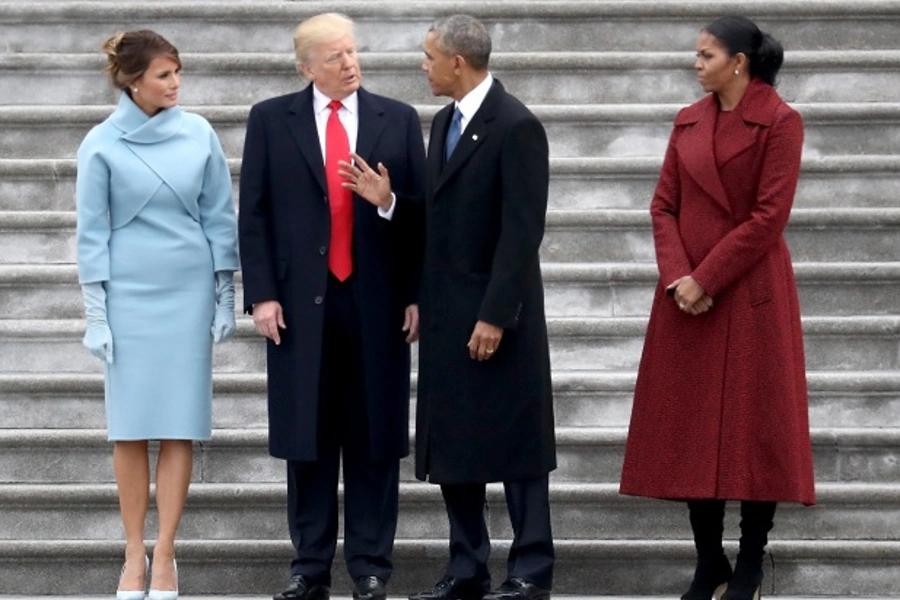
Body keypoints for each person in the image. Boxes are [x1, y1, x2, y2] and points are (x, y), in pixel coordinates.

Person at [619, 15, 816, 600]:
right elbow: (663, 207)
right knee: (690, 430)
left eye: (706, 55)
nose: (695, 63)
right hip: (687, 301)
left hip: (749, 294)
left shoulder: (780, 122)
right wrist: (679, 276)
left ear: (739, 62)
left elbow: (767, 218)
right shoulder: (688, 121)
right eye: (696, 54)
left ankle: (750, 563)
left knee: (757, 432)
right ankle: (711, 560)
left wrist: (706, 277)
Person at [237, 12, 426, 600]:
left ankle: (371, 566)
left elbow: (423, 214)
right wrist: (262, 294)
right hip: (300, 304)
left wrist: (389, 201)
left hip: (378, 300)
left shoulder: (397, 118)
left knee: (374, 435)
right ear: (306, 67)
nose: (349, 63)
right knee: (308, 436)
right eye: (335, 56)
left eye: (352, 52)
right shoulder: (271, 120)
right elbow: (256, 212)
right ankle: (309, 564)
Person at [75, 30, 239, 600]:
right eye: (165, 74)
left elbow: (219, 216)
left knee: (178, 426)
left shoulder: (198, 134)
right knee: (129, 429)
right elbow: (91, 235)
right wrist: (97, 314)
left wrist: (224, 293)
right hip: (128, 294)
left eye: (178, 73)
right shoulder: (100, 143)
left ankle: (165, 552)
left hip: (186, 291)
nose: (176, 84)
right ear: (133, 80)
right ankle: (132, 555)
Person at [412, 15, 556, 600]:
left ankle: (530, 570)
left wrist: (496, 314)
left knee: (518, 448)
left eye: (428, 57)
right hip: (448, 314)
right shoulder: (444, 121)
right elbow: (443, 216)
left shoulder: (516, 125)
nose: (423, 67)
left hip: (501, 315)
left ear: (457, 63)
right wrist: (392, 201)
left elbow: (522, 233)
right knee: (454, 443)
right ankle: (468, 565)